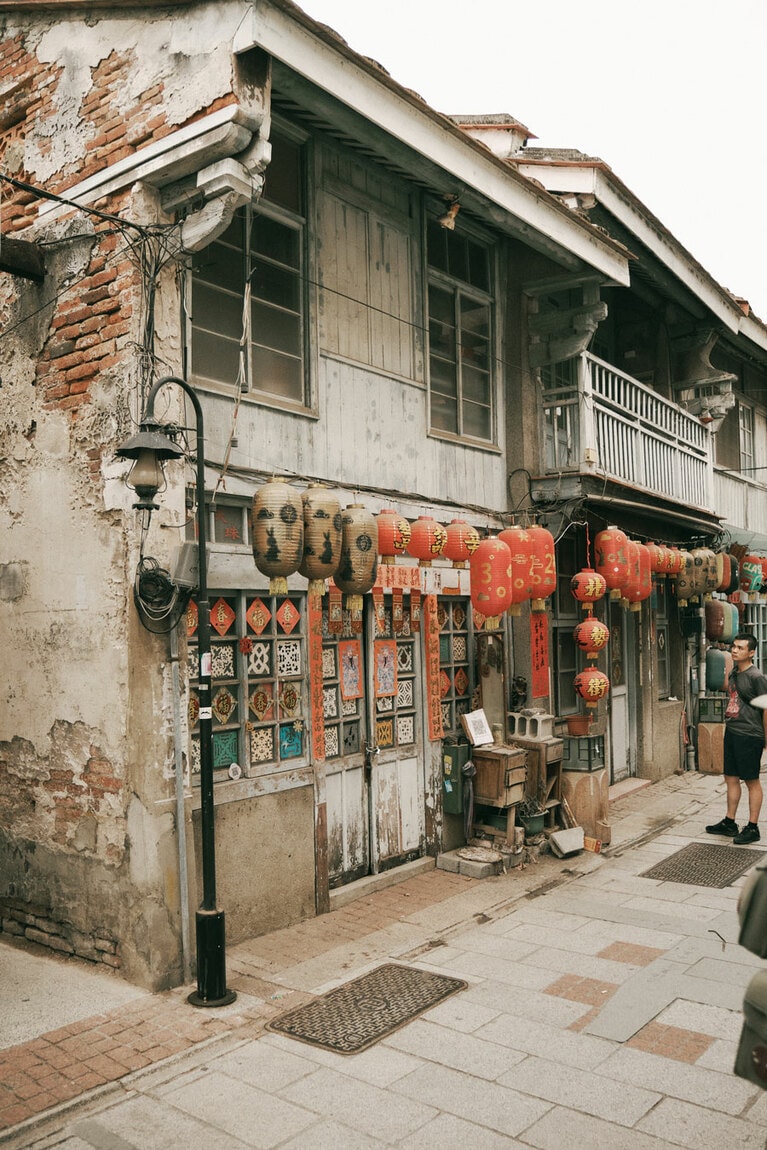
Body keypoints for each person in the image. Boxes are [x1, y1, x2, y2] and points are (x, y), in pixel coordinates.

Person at [706, 631, 767, 845]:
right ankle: (729, 822)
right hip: (732, 731)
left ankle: (753, 827)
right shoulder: (734, 672)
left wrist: (765, 738)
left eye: (740, 648)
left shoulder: (756, 677)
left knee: (751, 781)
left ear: (751, 652)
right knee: (730, 778)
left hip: (750, 735)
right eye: (734, 646)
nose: (734, 650)